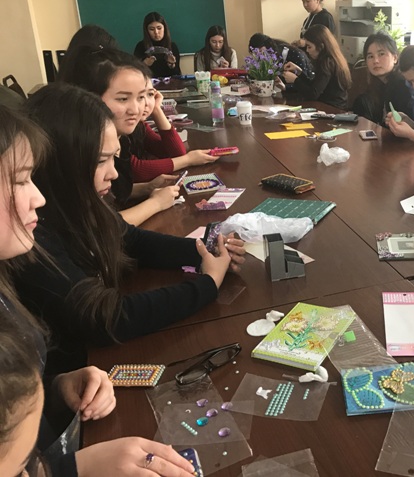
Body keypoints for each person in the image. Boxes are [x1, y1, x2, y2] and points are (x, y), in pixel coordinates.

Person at [0, 105, 197, 477]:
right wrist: (73, 468)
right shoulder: (35, 248)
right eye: (21, 180)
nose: (37, 198)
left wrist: (58, 388)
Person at [16, 84, 245, 374]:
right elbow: (105, 318)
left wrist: (204, 250)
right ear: (59, 162)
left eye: (114, 157)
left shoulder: (80, 203)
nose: (113, 173)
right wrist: (207, 283)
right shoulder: (31, 235)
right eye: (101, 161)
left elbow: (130, 238)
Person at [59, 46, 190, 226]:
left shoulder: (125, 135)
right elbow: (97, 227)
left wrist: (147, 187)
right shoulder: (81, 149)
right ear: (91, 97)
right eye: (122, 99)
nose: (136, 109)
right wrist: (155, 203)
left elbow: (112, 194)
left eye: (142, 97)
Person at [130, 78, 218, 183]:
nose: (147, 103)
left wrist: (156, 109)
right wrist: (188, 160)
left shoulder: (138, 125)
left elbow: (175, 153)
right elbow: (135, 170)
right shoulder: (115, 129)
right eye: (140, 96)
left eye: (150, 94)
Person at [353, 33, 414, 127]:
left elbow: (409, 127)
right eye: (370, 56)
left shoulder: (404, 84)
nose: (375, 61)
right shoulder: (379, 84)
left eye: (381, 54)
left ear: (395, 58)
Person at [282, 24, 351, 109]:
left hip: (332, 108)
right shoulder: (329, 59)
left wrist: (295, 80)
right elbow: (314, 86)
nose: (307, 50)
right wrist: (299, 72)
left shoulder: (327, 63)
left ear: (321, 47)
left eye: (309, 47)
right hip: (326, 105)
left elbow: (313, 94)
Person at [249, 33, 314, 91]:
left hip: (301, 96)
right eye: (255, 54)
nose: (260, 57)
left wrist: (285, 87)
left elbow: (306, 86)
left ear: (269, 47)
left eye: (261, 52)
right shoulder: (265, 60)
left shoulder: (293, 54)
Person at [133, 12, 181, 77]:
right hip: (148, 82)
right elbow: (135, 74)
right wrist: (144, 64)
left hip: (169, 82)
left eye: (159, 28)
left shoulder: (172, 46)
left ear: (164, 28)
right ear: (147, 31)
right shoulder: (140, 46)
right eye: (152, 29)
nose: (156, 32)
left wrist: (172, 65)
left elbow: (177, 74)